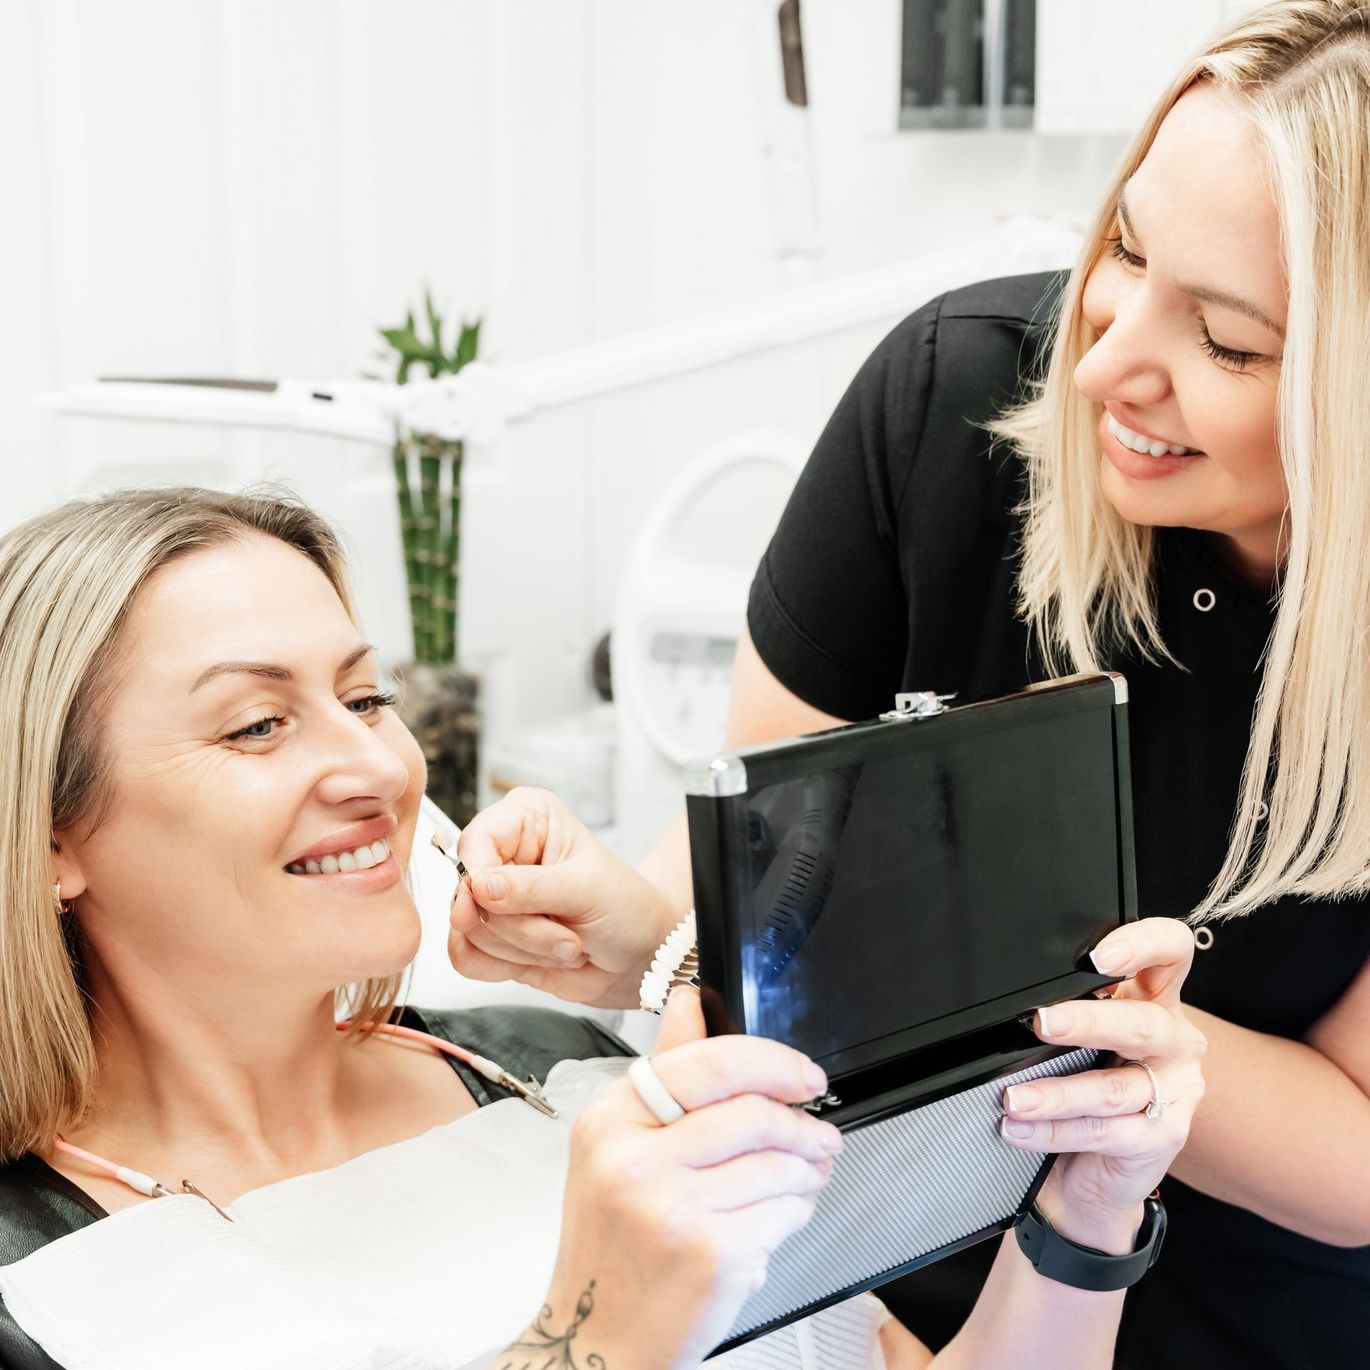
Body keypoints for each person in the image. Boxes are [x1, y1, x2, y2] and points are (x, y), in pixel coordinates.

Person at [446, 4, 1370, 1367]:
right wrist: (668, 940)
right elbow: (775, 878)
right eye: (1121, 245)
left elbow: (1352, 1152)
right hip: (870, 1284)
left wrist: (1123, 1050)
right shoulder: (951, 403)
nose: (1103, 360)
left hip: (1245, 1314)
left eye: (1226, 342)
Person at [0, 487, 1202, 1369]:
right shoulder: (42, 1285)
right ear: (53, 834)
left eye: (365, 696)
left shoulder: (560, 1073)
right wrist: (603, 1332)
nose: (373, 759)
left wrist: (1083, 1215)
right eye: (257, 725)